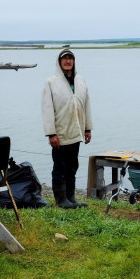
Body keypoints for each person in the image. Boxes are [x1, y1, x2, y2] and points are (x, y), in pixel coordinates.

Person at [41, 49, 93, 209]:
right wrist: (51, 134)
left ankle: (71, 197)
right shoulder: (50, 82)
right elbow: (47, 109)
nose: (68, 61)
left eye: (71, 58)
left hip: (76, 132)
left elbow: (86, 106)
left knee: (72, 166)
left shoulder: (81, 81)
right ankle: (60, 199)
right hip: (60, 134)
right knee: (60, 167)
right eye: (65, 58)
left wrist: (87, 129)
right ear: (59, 61)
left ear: (74, 61)